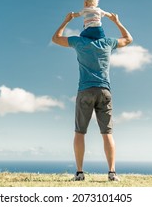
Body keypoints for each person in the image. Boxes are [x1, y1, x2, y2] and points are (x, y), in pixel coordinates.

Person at [52, 11, 133, 181]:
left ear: (85, 25)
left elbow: (56, 38)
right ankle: (112, 173)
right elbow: (128, 39)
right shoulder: (108, 42)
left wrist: (66, 20)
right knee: (107, 133)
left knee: (80, 132)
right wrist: (117, 21)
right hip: (104, 91)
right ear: (100, 25)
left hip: (85, 91)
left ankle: (80, 173)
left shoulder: (78, 41)